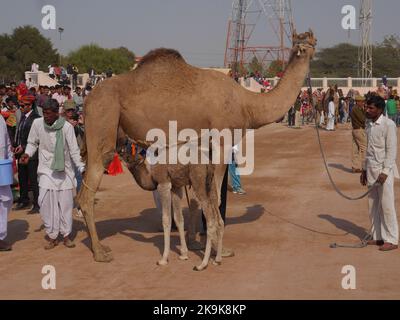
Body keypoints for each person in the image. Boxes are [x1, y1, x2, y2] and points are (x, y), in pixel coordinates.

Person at [20, 99, 85, 249]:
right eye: (44, 113)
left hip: (64, 171)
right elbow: (32, 143)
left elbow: (74, 151)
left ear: (57, 113)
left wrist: (81, 167)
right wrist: (27, 154)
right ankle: (52, 235)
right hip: (45, 170)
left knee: (66, 205)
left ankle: (66, 235)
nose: (46, 117)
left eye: (49, 114)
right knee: (44, 203)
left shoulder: (67, 127)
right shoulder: (37, 124)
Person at [360, 95, 399, 251]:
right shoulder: (368, 124)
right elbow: (368, 149)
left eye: (371, 108)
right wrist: (363, 169)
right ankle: (378, 236)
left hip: (384, 172)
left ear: (380, 109)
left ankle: (392, 239)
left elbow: (391, 151)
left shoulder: (388, 125)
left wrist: (385, 171)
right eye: (366, 107)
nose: (367, 110)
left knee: (386, 205)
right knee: (372, 204)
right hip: (370, 169)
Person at [14, 94, 41, 213]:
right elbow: (19, 133)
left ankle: (37, 203)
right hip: (21, 153)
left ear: (30, 105)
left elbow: (37, 138)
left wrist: (24, 147)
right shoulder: (23, 117)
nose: (21, 107)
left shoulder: (37, 118)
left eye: (23, 105)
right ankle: (24, 199)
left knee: (33, 178)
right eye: (20, 105)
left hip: (32, 154)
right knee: (22, 177)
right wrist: (16, 145)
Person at [0, 115, 13, 251]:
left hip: (2, 167)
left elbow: (6, 140)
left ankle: (0, 236)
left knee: (6, 201)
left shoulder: (1, 119)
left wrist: (10, 158)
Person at [350, 95, 367, 173]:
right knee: (364, 148)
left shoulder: (357, 108)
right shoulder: (356, 109)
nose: (363, 103)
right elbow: (363, 119)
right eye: (362, 101)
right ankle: (364, 167)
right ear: (358, 102)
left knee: (355, 149)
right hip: (359, 129)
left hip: (356, 130)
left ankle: (355, 166)